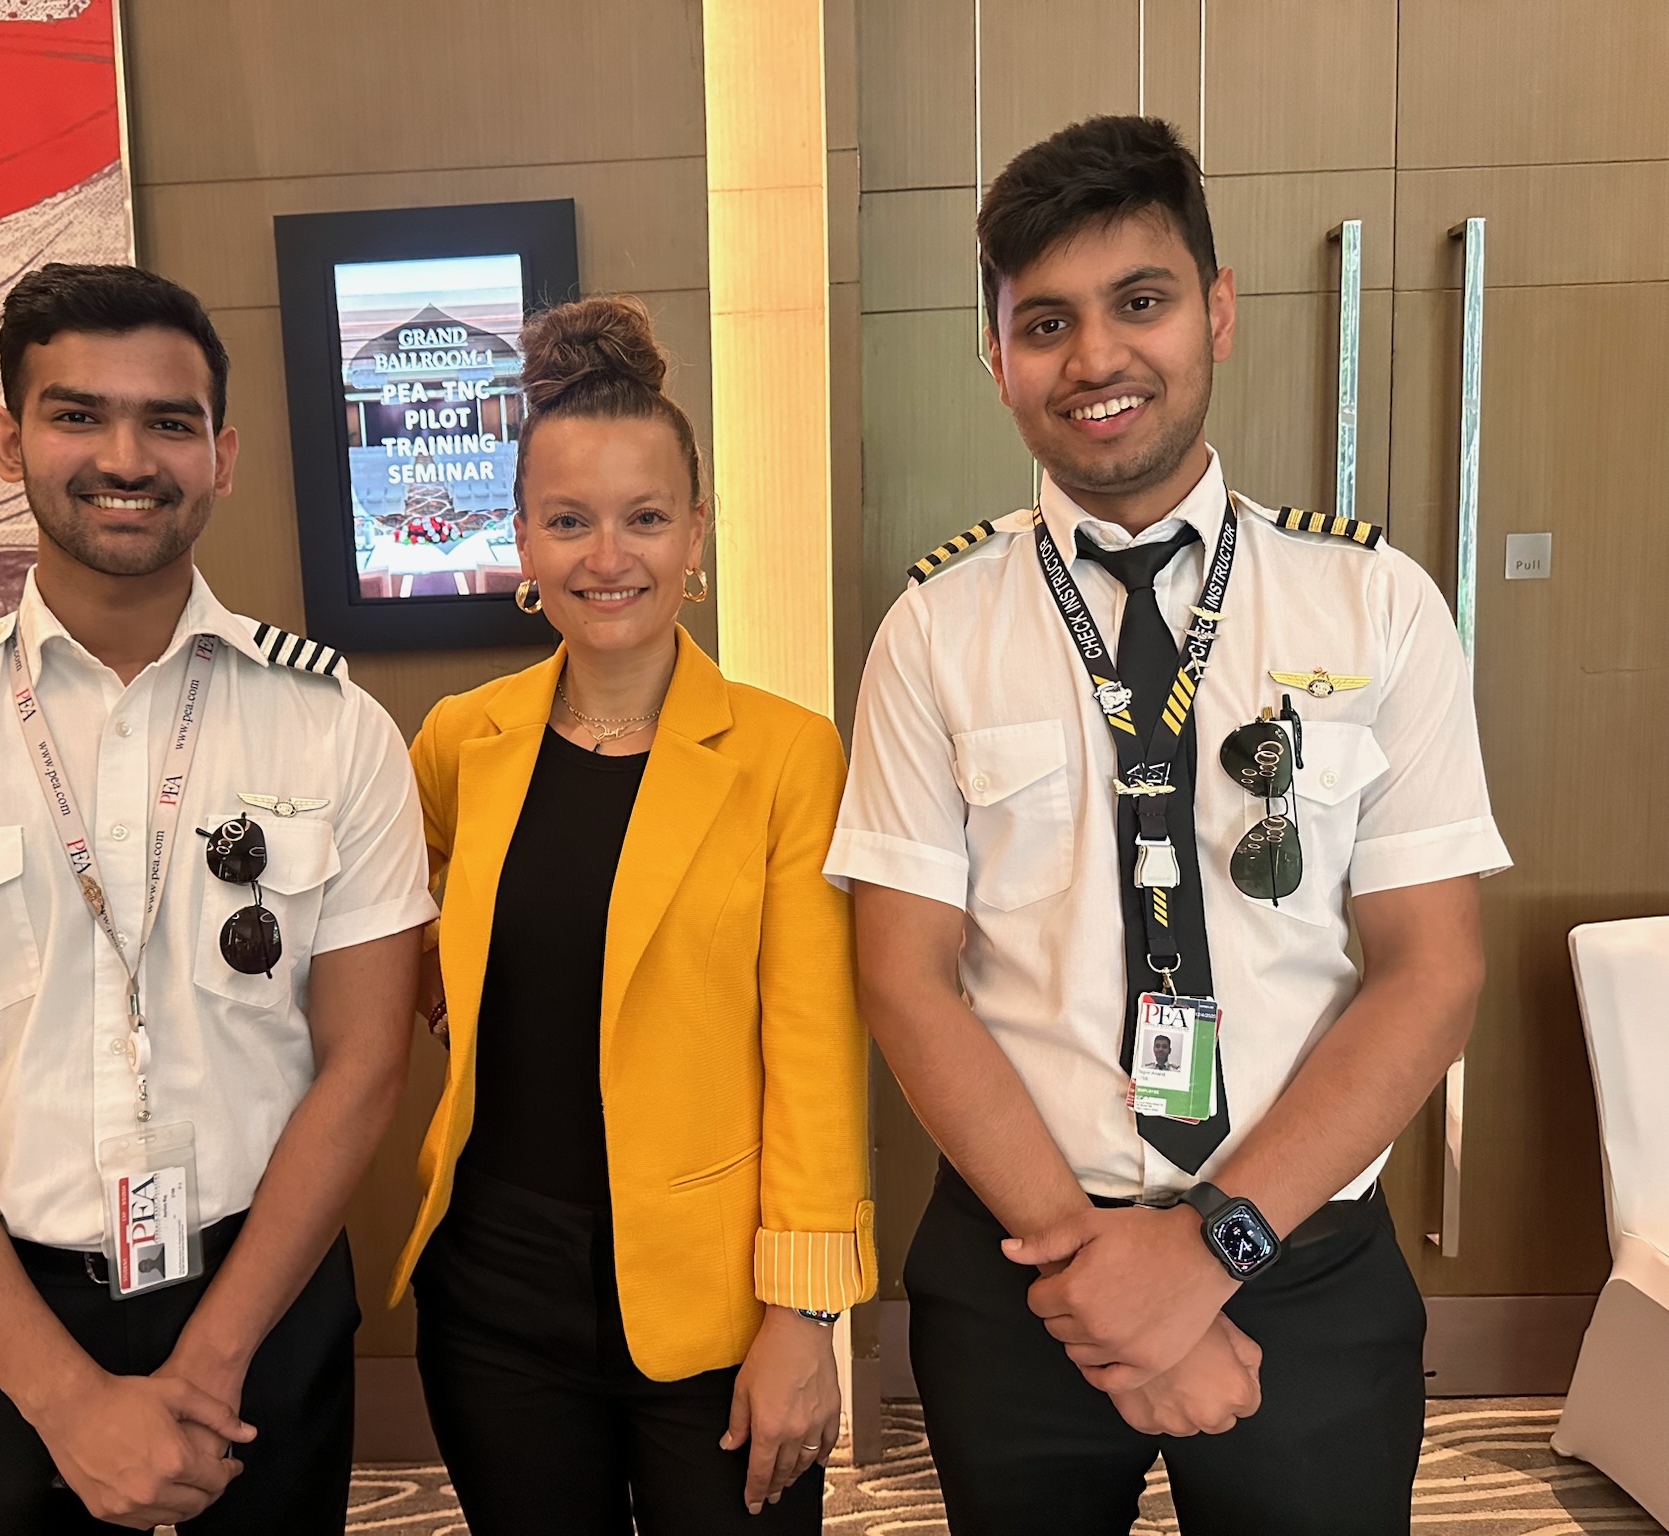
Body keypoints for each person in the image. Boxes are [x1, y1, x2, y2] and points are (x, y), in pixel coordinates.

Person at [825, 117, 1511, 1535]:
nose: (1095, 358)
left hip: (1301, 1260)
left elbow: (1431, 969)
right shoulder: (933, 631)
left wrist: (1208, 1252)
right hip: (1024, 1266)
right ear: (995, 357)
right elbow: (903, 977)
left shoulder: (1374, 604)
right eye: (1044, 323)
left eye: (1138, 301)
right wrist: (1103, 1278)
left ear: (1217, 309)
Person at [0, 263, 435, 1533]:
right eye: (77, 415)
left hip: (262, 1301)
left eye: (168, 422)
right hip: (3, 1320)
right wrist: (67, 1401)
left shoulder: (335, 731)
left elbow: (362, 1066)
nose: (126, 458)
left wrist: (212, 1360)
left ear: (221, 456)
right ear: (7, 440)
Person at [388, 295, 876, 1534]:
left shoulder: (785, 755)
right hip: (494, 1289)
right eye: (568, 521)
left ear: (695, 529)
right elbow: (401, 925)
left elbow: (814, 1056)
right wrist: (450, 999)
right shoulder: (460, 742)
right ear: (521, 538)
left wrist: (804, 1314)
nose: (606, 556)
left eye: (644, 518)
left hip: (718, 1306)